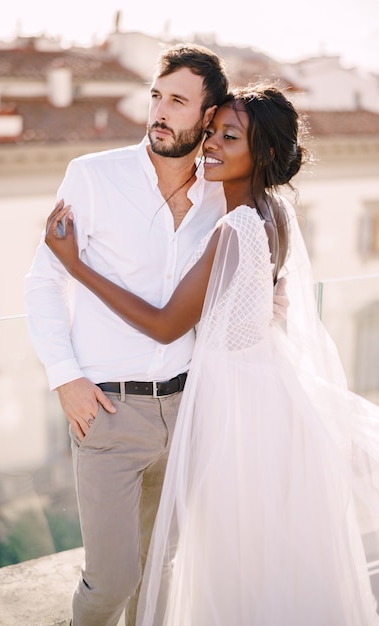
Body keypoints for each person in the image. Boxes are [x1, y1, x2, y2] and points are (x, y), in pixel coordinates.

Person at [45, 84, 379, 625]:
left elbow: (164, 324)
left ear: (264, 154)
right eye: (211, 132)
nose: (211, 146)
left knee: (225, 558)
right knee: (253, 553)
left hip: (233, 405)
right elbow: (266, 298)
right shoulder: (274, 214)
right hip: (261, 384)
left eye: (230, 136)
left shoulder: (235, 225)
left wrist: (76, 265)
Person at [25, 44, 288, 626]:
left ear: (208, 115)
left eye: (178, 101)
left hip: (193, 406)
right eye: (156, 96)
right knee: (112, 577)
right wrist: (64, 378)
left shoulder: (222, 189)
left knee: (161, 569)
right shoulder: (93, 176)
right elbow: (43, 281)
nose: (159, 112)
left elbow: (255, 280)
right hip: (109, 409)